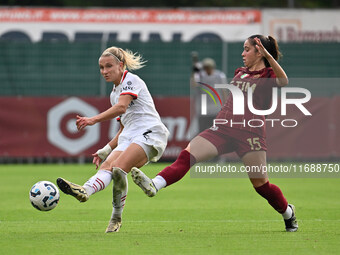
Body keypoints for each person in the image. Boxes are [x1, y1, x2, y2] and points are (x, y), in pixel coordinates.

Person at [131, 35, 298, 232]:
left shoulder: (269, 74)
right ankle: (154, 185)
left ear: (259, 52)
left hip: (249, 132)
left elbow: (284, 81)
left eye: (247, 49)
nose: (242, 53)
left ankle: (288, 212)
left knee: (261, 185)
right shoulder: (240, 72)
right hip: (223, 128)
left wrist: (269, 57)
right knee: (186, 156)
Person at [56, 46, 169, 233]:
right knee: (107, 167)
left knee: (118, 169)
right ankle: (85, 191)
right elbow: (124, 127)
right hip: (130, 135)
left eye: (109, 66)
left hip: (150, 132)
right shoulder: (113, 94)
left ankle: (116, 217)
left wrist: (92, 119)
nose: (104, 71)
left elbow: (122, 108)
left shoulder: (132, 80)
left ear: (121, 65)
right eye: (101, 68)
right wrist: (106, 149)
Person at [191, 56, 228, 132]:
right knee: (202, 132)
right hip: (203, 111)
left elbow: (224, 91)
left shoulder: (219, 76)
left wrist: (225, 107)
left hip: (216, 110)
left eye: (209, 67)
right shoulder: (200, 76)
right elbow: (193, 84)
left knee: (217, 132)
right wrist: (194, 72)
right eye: (206, 67)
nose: (207, 69)